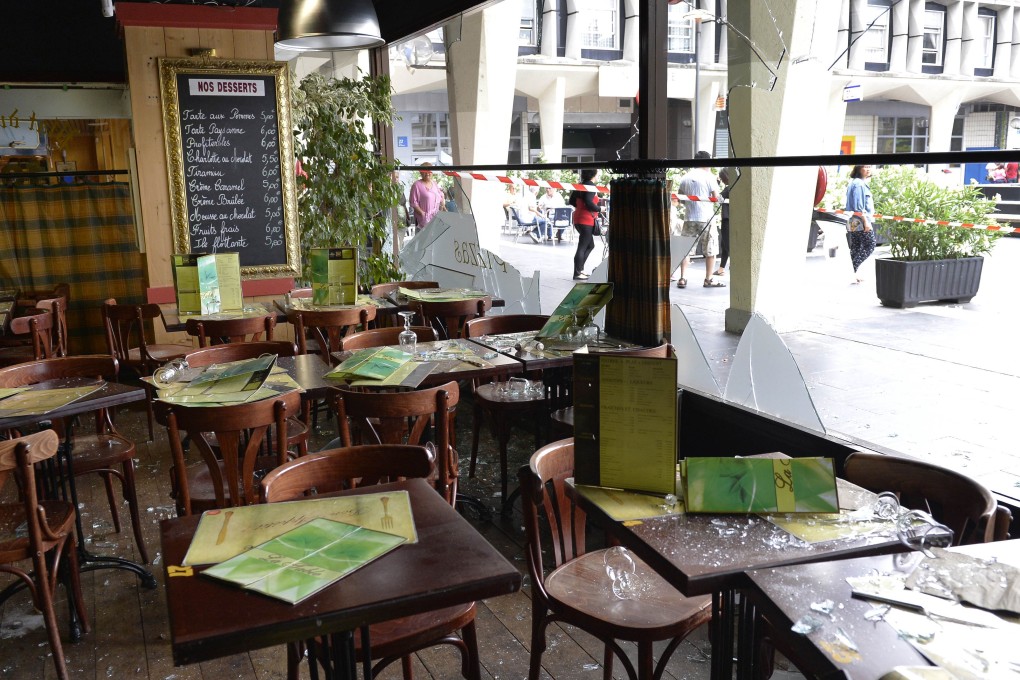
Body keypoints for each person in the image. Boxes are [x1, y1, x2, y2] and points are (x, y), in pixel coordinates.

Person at [677, 151, 723, 288]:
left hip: (689, 218)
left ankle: (682, 278)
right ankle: (708, 279)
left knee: (686, 250)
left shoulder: (685, 177)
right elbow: (716, 197)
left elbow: (681, 198)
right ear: (706, 162)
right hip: (706, 218)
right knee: (710, 249)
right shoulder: (709, 177)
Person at [845, 164, 876, 283]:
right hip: (859, 220)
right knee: (870, 245)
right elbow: (858, 207)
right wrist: (866, 222)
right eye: (865, 167)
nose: (868, 169)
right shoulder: (858, 184)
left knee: (856, 247)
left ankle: (852, 273)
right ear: (858, 168)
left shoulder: (855, 182)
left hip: (853, 220)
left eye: (869, 166)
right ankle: (851, 271)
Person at [569, 168, 602, 280]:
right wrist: (599, 209)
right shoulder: (591, 186)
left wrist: (580, 207)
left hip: (578, 218)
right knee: (583, 246)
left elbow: (571, 201)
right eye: (597, 174)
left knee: (590, 245)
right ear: (593, 174)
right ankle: (577, 273)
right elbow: (589, 202)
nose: (598, 176)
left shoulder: (580, 185)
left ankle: (580, 270)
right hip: (586, 220)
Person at [408, 162, 444, 231]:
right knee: (424, 237)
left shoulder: (434, 183)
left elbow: (440, 196)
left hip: (436, 218)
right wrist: (423, 214)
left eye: (429, 171)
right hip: (423, 221)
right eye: (425, 171)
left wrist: (442, 206)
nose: (427, 173)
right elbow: (413, 203)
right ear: (420, 172)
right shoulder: (416, 185)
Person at [715, 167, 733, 277]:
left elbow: (718, 198)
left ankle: (733, 263)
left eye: (721, 178)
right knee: (724, 244)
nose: (721, 180)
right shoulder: (735, 186)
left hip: (727, 219)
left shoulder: (728, 188)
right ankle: (721, 268)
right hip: (732, 218)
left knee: (726, 243)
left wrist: (716, 184)